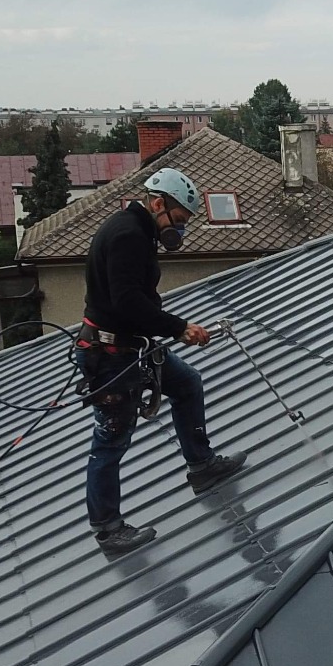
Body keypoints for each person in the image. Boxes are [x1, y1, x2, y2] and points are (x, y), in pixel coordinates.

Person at [77, 167, 242, 553]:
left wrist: (167, 327)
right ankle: (108, 528)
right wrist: (179, 328)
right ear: (157, 204)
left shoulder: (139, 230)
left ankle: (201, 466)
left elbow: (137, 298)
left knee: (186, 384)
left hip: (133, 347)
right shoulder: (127, 236)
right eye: (179, 219)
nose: (181, 228)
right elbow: (127, 301)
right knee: (111, 440)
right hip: (110, 355)